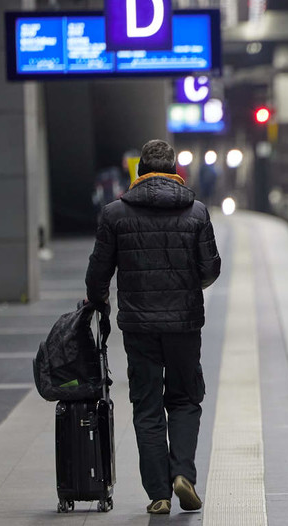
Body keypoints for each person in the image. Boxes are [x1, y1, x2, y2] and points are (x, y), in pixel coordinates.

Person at [85, 139, 221, 515]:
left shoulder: (115, 214)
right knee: (184, 399)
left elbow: (99, 270)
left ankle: (159, 493)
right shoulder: (196, 212)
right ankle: (184, 475)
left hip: (138, 325)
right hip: (184, 324)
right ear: (175, 169)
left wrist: (98, 302)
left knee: (146, 406)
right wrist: (191, 286)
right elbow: (210, 269)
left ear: (139, 171)